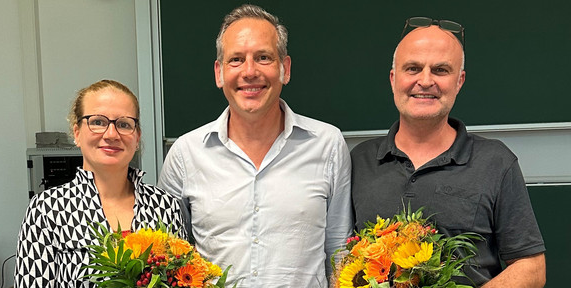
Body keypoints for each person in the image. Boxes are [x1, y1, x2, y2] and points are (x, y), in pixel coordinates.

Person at [158, 4, 353, 287]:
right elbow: (171, 260)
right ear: (219, 73)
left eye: (263, 57)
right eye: (236, 60)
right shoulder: (185, 154)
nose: (249, 72)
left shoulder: (327, 144)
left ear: (284, 68)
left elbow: (339, 253)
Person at [351, 17, 546, 287]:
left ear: (459, 81)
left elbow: (531, 267)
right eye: (413, 68)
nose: (425, 80)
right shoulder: (357, 161)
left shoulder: (496, 161)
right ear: (394, 79)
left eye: (441, 70)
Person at [14, 80, 186, 288]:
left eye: (124, 124)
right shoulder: (47, 209)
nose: (111, 134)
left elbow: (182, 278)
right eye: (97, 122)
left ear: (137, 136)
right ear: (77, 132)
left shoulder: (165, 206)